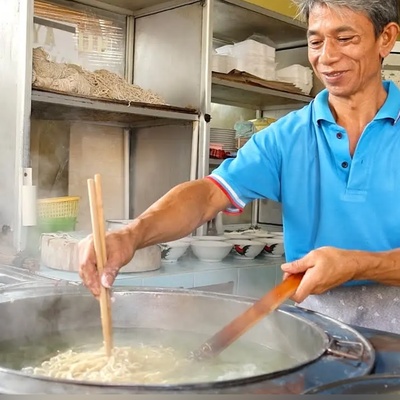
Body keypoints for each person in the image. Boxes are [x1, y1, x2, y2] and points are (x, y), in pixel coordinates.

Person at [79, 0, 400, 333]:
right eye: (316, 41)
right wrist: (131, 235)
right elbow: (208, 195)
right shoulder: (287, 136)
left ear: (386, 38)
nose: (327, 56)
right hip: (317, 323)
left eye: (345, 39)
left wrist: (358, 265)